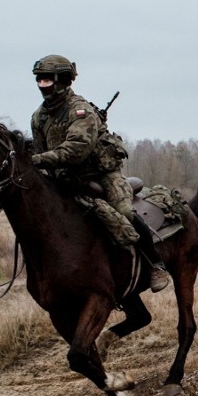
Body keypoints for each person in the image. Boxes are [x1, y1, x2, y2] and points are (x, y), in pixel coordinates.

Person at [29, 54, 170, 292]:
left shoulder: (80, 111)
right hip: (67, 178)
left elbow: (75, 150)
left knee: (125, 211)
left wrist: (36, 160)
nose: (42, 84)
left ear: (62, 80)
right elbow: (42, 153)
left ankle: (155, 265)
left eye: (46, 79)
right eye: (39, 79)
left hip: (101, 174)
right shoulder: (38, 117)